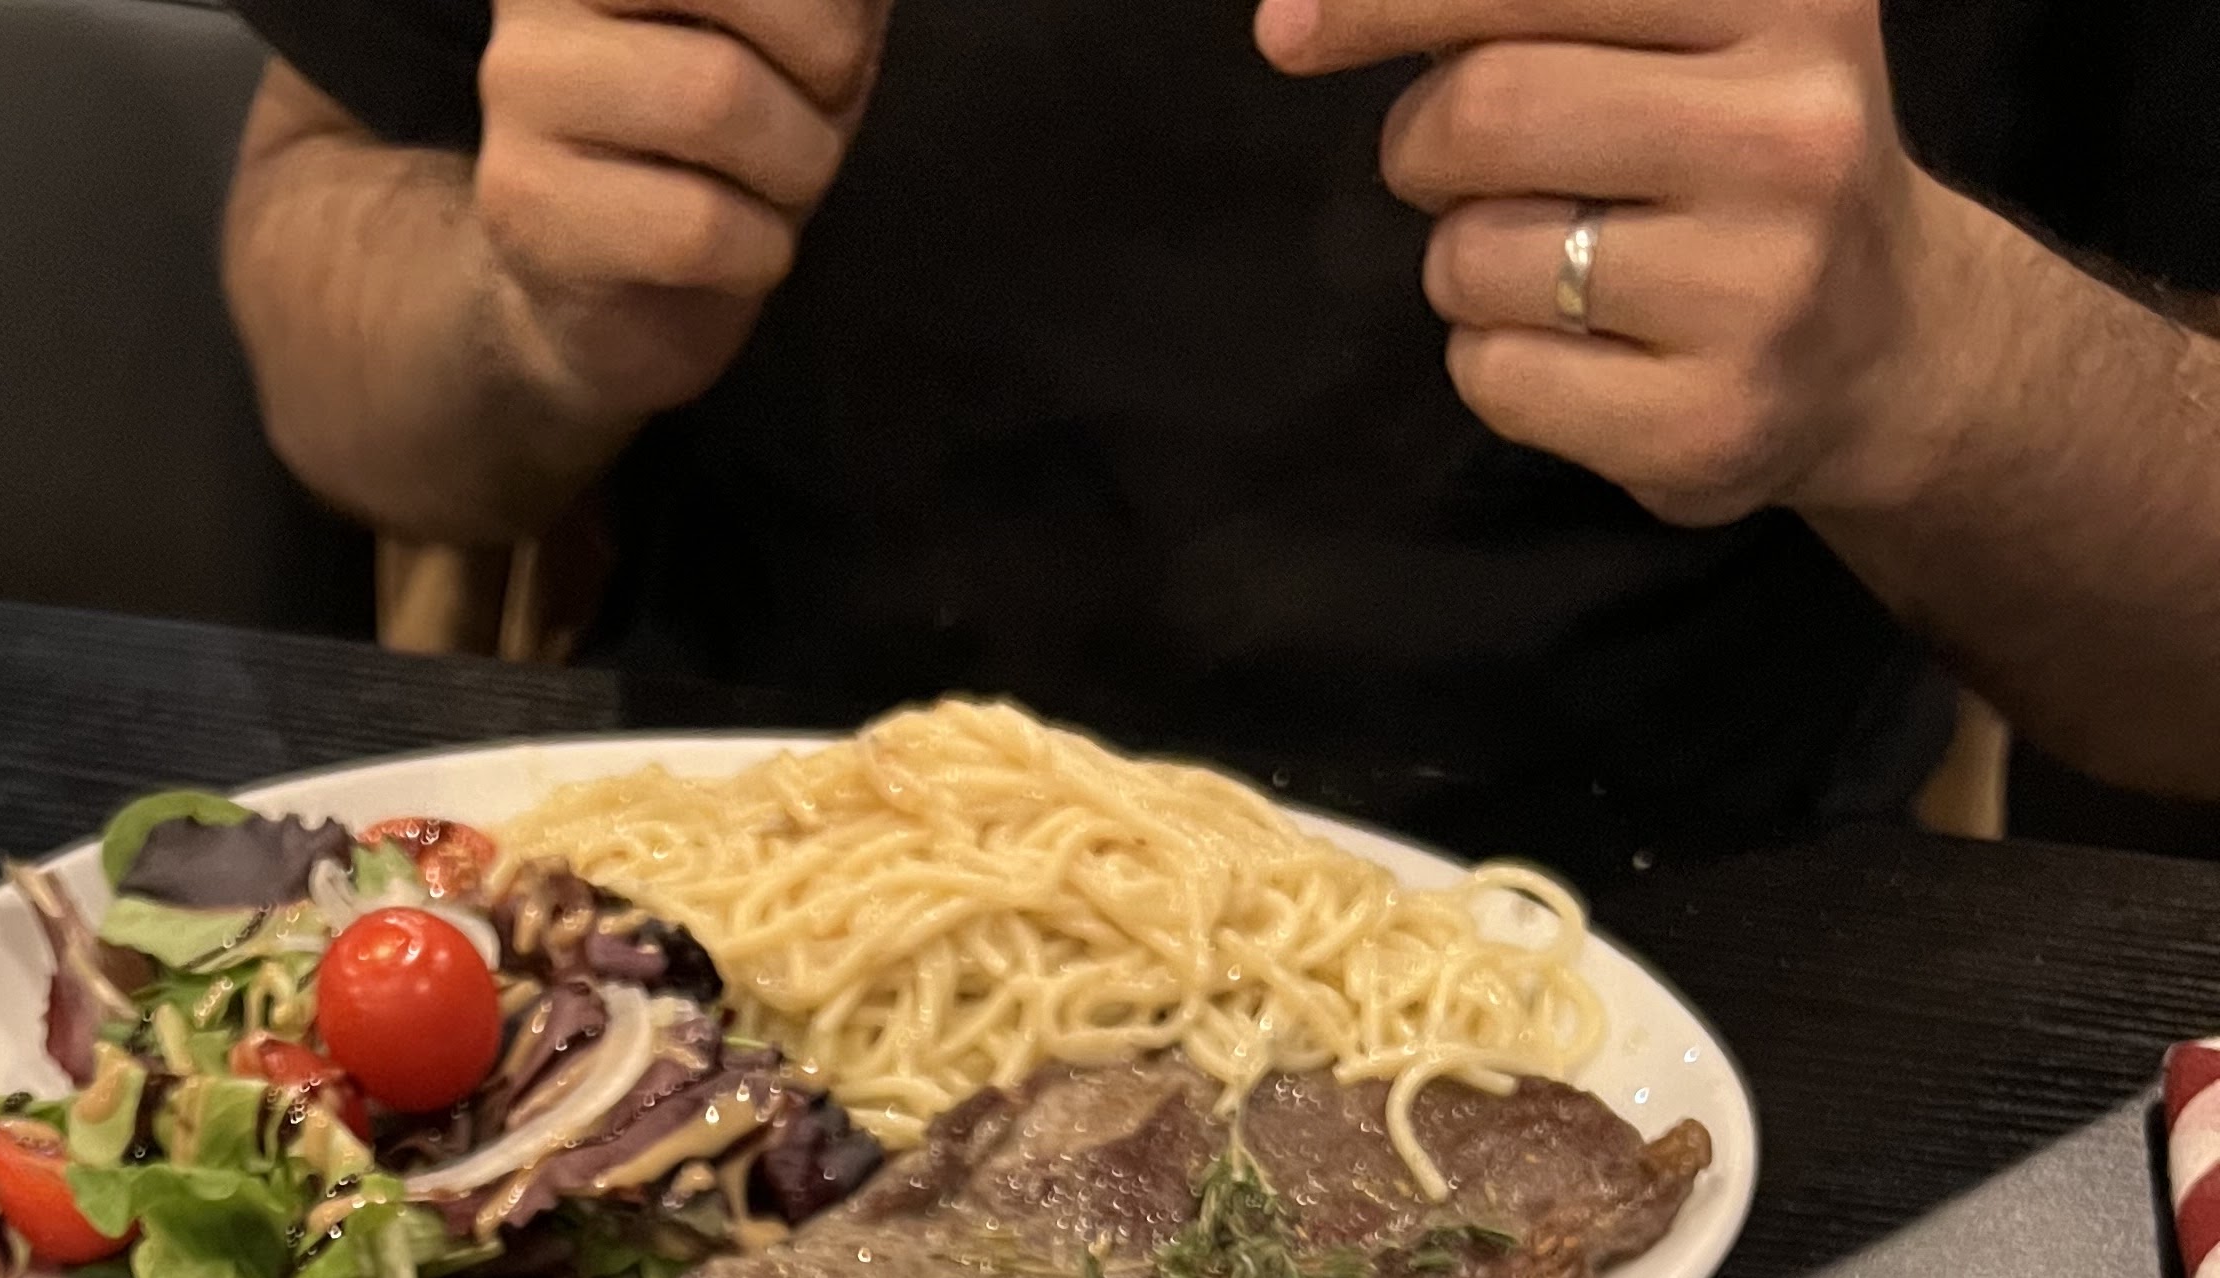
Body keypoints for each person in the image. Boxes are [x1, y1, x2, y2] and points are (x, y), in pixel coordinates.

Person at [218, 0, 2220, 863]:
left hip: (1709, 989)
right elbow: (318, 279)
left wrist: (1925, 359)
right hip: (716, 925)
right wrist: (529, 312)